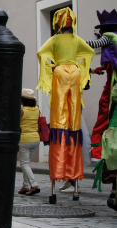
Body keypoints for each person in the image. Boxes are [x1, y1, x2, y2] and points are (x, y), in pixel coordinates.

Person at [36, 7, 95, 204]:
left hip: (61, 72)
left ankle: (59, 174)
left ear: (58, 23)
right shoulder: (77, 40)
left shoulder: (54, 40)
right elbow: (89, 51)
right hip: (75, 74)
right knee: (73, 120)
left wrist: (51, 66)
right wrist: (80, 67)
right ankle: (73, 178)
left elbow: (41, 53)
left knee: (59, 118)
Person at [87, 9, 117, 161]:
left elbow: (93, 44)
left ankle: (97, 152)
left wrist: (72, 42)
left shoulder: (109, 37)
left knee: (104, 112)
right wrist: (97, 69)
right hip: (112, 82)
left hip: (113, 86)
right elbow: (110, 64)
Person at [18, 89, 41, 196]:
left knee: (24, 164)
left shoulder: (21, 111)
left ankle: (34, 184)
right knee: (27, 164)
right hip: (36, 139)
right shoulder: (37, 109)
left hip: (24, 139)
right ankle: (25, 186)